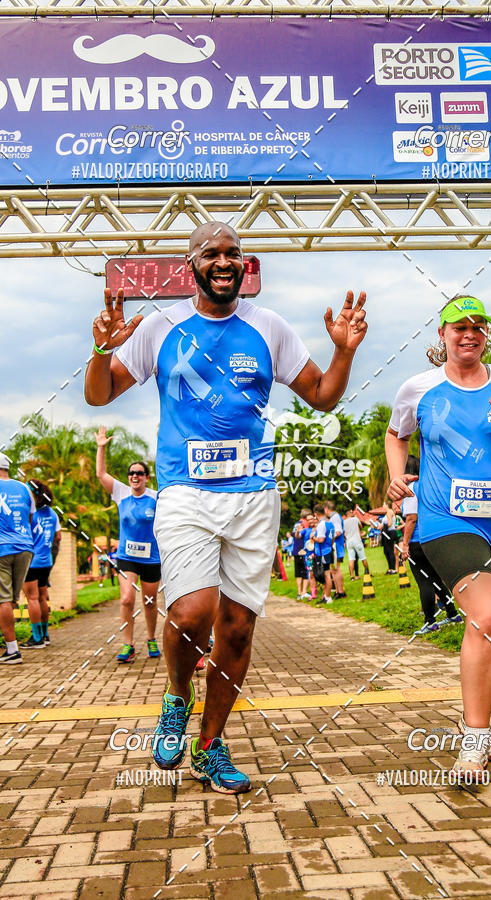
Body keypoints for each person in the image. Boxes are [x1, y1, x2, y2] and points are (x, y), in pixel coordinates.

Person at [84, 221, 367, 793]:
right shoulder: (160, 328)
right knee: (192, 614)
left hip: (254, 497)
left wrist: (343, 352)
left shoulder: (269, 327)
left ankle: (209, 746)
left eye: (233, 253)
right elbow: (99, 393)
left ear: (244, 265)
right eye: (211, 253)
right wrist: (101, 349)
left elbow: (321, 395)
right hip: (185, 492)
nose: (223, 261)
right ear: (191, 265)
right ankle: (176, 695)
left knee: (236, 631)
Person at [386, 295, 491, 782]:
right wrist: (397, 477)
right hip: (445, 519)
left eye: (477, 326)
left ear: (485, 335)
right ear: (442, 335)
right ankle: (474, 741)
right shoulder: (419, 388)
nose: (469, 334)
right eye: (458, 327)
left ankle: (474, 720)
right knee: (486, 616)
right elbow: (397, 434)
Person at [95, 427, 161, 663]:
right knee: (126, 600)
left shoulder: (156, 497)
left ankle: (151, 638)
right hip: (127, 558)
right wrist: (101, 447)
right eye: (131, 473)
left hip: (151, 558)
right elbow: (101, 474)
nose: (135, 476)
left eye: (139, 473)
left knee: (150, 602)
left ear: (146, 477)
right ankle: (128, 644)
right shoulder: (121, 493)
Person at [400, 456, 461, 633]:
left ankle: (430, 621)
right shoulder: (429, 485)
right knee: (435, 579)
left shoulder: (411, 488)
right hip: (432, 537)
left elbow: (411, 518)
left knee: (424, 581)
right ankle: (452, 613)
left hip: (416, 541)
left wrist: (405, 545)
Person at [0, 452, 34, 665]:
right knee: (11, 599)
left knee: (2, 599)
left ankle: (12, 650)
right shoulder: (24, 488)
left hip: (2, 549)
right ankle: (10, 641)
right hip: (25, 547)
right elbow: (30, 517)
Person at [21, 480, 61, 649]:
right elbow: (58, 537)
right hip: (46, 561)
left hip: (31, 561)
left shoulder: (30, 513)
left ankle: (36, 638)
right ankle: (45, 635)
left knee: (32, 598)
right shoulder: (52, 514)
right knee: (42, 597)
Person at [313, 503, 335, 604]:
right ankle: (326, 596)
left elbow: (321, 539)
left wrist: (313, 537)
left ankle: (327, 597)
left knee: (326, 575)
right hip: (329, 550)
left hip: (323, 552)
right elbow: (332, 538)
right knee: (326, 574)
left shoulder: (321, 524)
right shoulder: (330, 523)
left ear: (316, 514)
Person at [325, 500, 346, 597]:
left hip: (336, 546)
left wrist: (328, 538)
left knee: (336, 569)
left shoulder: (335, 517)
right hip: (335, 546)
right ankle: (338, 591)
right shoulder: (334, 517)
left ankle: (341, 591)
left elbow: (338, 532)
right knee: (333, 570)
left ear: (326, 509)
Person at [343, 509, 369, 580]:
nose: (352, 513)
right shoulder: (355, 519)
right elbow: (361, 526)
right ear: (348, 514)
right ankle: (368, 573)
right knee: (363, 558)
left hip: (349, 541)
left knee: (351, 559)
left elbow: (344, 533)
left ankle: (352, 576)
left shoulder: (344, 522)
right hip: (357, 540)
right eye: (351, 512)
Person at [292, 510, 311, 600]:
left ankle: (299, 593)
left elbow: (294, 536)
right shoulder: (304, 525)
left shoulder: (296, 524)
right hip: (303, 551)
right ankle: (304, 592)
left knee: (298, 573)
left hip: (296, 551)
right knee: (306, 572)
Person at [380, 502, 400, 574]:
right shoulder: (387, 513)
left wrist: (383, 527)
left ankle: (393, 569)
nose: (383, 506)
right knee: (386, 551)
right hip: (387, 532)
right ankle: (390, 568)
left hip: (390, 532)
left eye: (383, 504)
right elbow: (382, 525)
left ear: (387, 505)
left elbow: (390, 523)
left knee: (390, 550)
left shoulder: (389, 512)